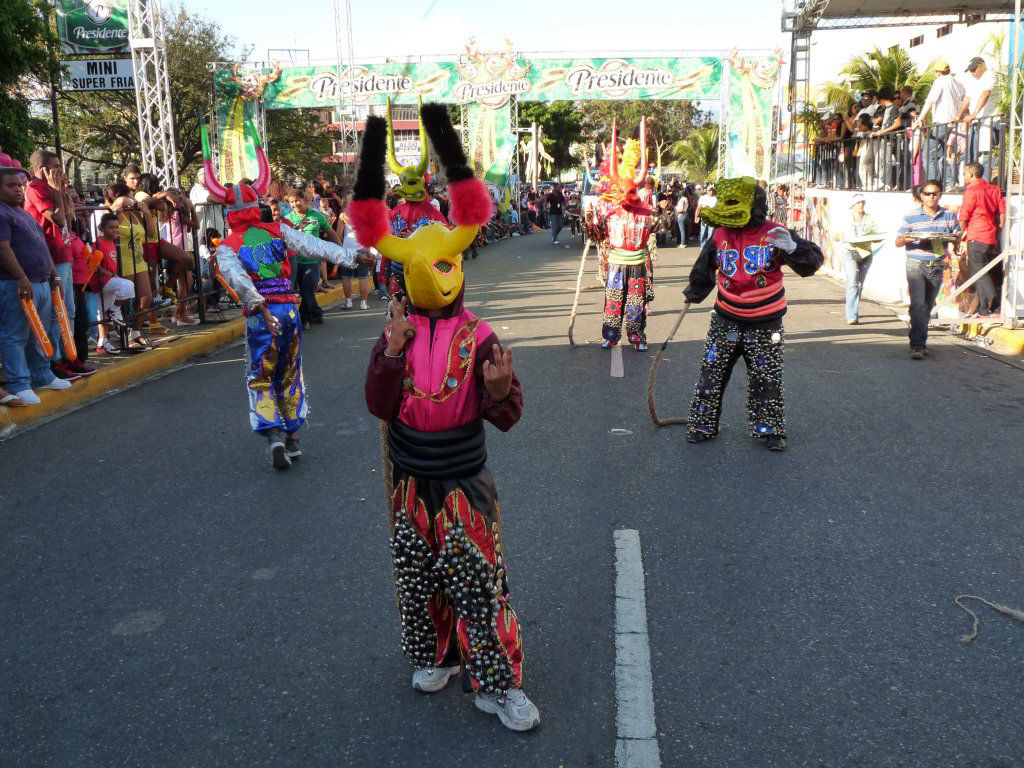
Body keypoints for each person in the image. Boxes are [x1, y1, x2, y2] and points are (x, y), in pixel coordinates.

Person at [350, 103, 540, 733]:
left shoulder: (480, 335)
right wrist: (392, 353)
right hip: (410, 483)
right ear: (406, 276)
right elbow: (378, 406)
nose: (443, 277)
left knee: (480, 583)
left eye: (449, 267)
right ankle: (439, 656)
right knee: (417, 578)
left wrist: (500, 387)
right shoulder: (394, 332)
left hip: (464, 484)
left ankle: (498, 682)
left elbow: (508, 416)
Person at [201, 121, 367, 468]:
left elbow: (238, 280)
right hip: (289, 311)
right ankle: (293, 438)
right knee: (290, 371)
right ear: (257, 204)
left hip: (263, 317)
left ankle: (273, 433)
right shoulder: (279, 231)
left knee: (261, 374)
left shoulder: (228, 245)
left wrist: (257, 306)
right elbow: (316, 246)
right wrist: (353, 257)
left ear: (228, 214)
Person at [683, 177, 824, 451]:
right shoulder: (720, 234)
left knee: (766, 377)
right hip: (726, 318)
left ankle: (769, 429)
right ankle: (702, 424)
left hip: (765, 322)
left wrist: (793, 248)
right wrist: (695, 291)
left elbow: (812, 263)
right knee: (711, 373)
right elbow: (706, 265)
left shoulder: (775, 232)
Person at [0, 164, 72, 405]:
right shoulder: (1, 213)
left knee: (38, 335)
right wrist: (21, 277)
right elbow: (3, 248)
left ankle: (41, 375)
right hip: (16, 284)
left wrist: (55, 277)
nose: (18, 190)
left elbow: (42, 247)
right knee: (15, 335)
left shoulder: (23, 213)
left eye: (20, 185)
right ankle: (18, 383)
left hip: (41, 282)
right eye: (11, 186)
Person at [25, 150, 96, 379]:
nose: (60, 171)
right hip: (50, 256)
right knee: (57, 312)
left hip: (64, 255)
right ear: (42, 168)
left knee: (69, 312)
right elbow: (56, 218)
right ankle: (55, 361)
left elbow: (69, 218)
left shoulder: (55, 189)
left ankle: (69, 357)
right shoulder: (35, 188)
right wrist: (56, 192)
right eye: (55, 166)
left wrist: (62, 193)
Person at [599, 119, 655, 351]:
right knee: (613, 302)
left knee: (634, 303)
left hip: (637, 263)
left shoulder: (647, 212)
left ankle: (637, 337)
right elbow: (598, 234)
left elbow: (652, 234)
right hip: (616, 263)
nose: (628, 193)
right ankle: (611, 336)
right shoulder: (609, 210)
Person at [894, 179, 962, 359]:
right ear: (921, 195)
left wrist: (956, 240)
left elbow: (957, 235)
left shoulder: (948, 216)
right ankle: (916, 345)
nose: (931, 197)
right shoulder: (911, 217)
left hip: (937, 265)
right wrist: (905, 239)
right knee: (918, 304)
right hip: (916, 264)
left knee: (927, 306)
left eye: (935, 193)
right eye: (928, 194)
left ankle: (920, 340)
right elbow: (898, 241)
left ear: (940, 195)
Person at [284, 188, 338, 328]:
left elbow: (331, 233)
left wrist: (341, 250)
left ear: (304, 200)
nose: (295, 204)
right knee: (304, 290)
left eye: (297, 200)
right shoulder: (288, 219)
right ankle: (316, 313)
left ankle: (303, 319)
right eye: (291, 202)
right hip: (295, 262)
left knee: (308, 290)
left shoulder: (316, 216)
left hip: (313, 261)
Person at [959, 162, 1005, 317]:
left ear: (972, 175)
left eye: (965, 174)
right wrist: (997, 237)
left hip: (976, 235)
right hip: (990, 236)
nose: (964, 176)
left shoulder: (971, 191)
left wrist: (959, 236)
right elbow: (1002, 217)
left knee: (980, 273)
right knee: (982, 271)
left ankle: (995, 305)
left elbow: (964, 217)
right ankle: (983, 309)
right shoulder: (995, 189)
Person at [915, 59, 967, 190]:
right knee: (946, 153)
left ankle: (933, 184)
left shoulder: (940, 81)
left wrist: (920, 118)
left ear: (938, 72)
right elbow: (964, 101)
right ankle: (949, 183)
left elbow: (930, 101)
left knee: (928, 154)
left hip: (941, 123)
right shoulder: (958, 83)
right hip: (954, 123)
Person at [91, 213, 136, 353]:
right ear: (101, 228)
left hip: (109, 279)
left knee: (104, 314)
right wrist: (110, 274)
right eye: (111, 227)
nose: (115, 230)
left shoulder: (112, 242)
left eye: (117, 227)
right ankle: (115, 310)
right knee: (128, 285)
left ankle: (103, 342)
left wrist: (113, 274)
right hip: (101, 281)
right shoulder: (98, 242)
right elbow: (94, 265)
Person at [835, 194, 881, 324]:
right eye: (858, 203)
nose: (861, 205)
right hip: (849, 251)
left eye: (862, 202)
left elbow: (878, 235)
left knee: (859, 285)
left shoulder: (870, 219)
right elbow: (836, 235)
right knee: (853, 281)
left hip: (866, 253)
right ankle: (851, 316)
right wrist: (840, 237)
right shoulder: (845, 219)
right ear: (853, 205)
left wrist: (872, 237)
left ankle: (854, 311)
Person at [958, 57, 997, 178]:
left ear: (981, 66)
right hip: (976, 122)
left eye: (974, 69)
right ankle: (973, 183)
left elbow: (986, 93)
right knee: (972, 155)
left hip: (989, 120)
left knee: (986, 155)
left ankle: (984, 183)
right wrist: (959, 116)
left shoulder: (990, 75)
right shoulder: (973, 82)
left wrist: (974, 114)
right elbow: (967, 99)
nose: (972, 72)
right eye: (970, 70)